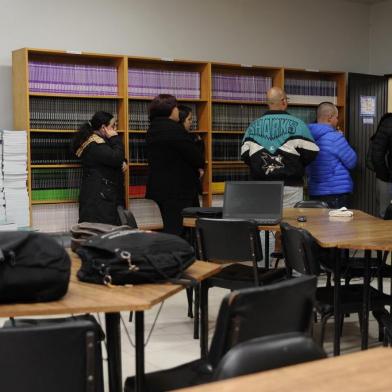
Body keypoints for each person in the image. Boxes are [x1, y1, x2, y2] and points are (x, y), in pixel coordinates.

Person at [241, 86, 319, 207]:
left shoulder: (253, 126)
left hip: (261, 186)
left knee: (264, 222)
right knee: (291, 223)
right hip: (290, 185)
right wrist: (296, 164)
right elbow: (312, 152)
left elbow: (245, 155)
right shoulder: (299, 124)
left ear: (268, 103)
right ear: (284, 101)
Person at [146, 94, 204, 235]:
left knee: (170, 226)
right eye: (176, 107)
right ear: (170, 110)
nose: (178, 110)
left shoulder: (152, 129)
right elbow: (196, 158)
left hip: (161, 188)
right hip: (178, 190)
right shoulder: (175, 130)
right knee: (180, 230)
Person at [71, 111, 126, 225]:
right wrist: (115, 138)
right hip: (99, 198)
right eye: (113, 126)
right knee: (102, 232)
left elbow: (115, 157)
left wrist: (124, 161)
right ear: (103, 127)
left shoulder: (99, 140)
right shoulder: (95, 144)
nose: (115, 129)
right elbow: (115, 157)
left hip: (102, 194)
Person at [306, 102, 357, 209]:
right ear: (330, 118)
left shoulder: (307, 137)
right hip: (336, 192)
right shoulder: (335, 138)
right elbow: (352, 162)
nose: (337, 121)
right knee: (337, 225)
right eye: (336, 117)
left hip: (314, 192)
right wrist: (341, 138)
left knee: (317, 224)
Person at [178, 104, 205, 204]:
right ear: (181, 120)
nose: (191, 122)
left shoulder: (192, 137)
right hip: (185, 186)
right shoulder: (183, 139)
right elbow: (197, 159)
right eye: (189, 119)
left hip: (191, 185)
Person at [370, 113, 392, 217]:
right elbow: (377, 154)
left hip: (386, 178)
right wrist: (385, 176)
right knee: (385, 215)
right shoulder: (388, 122)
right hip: (387, 180)